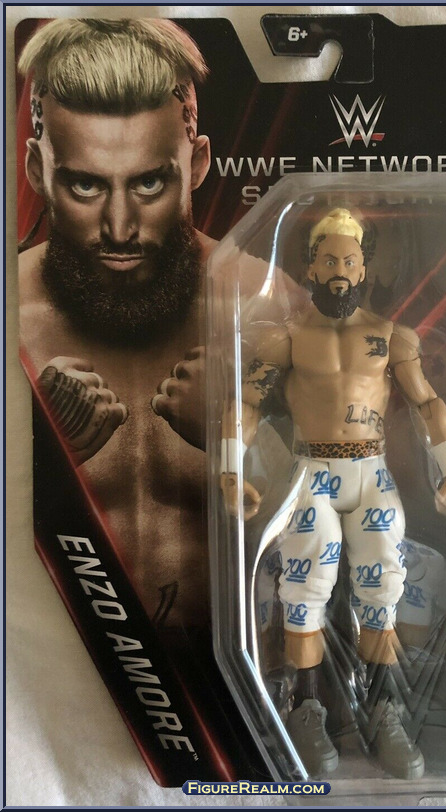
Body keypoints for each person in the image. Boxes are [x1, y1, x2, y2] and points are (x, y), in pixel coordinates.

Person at [221, 208, 446, 779]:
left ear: (363, 269)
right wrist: (232, 471)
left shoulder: (393, 338)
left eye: (349, 261)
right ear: (311, 267)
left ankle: (383, 711)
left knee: (382, 588)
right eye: (328, 259)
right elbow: (246, 402)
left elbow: (428, 403)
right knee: (305, 588)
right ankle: (305, 709)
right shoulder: (285, 339)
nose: (339, 270)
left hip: (371, 473)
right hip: (311, 472)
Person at [18, 18, 214, 628]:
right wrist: (39, 458)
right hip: (42, 673)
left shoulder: (266, 309)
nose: (121, 228)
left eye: (150, 182)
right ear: (36, 170)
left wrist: (247, 439)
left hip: (234, 676)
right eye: (85, 185)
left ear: (197, 164)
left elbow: (381, 505)